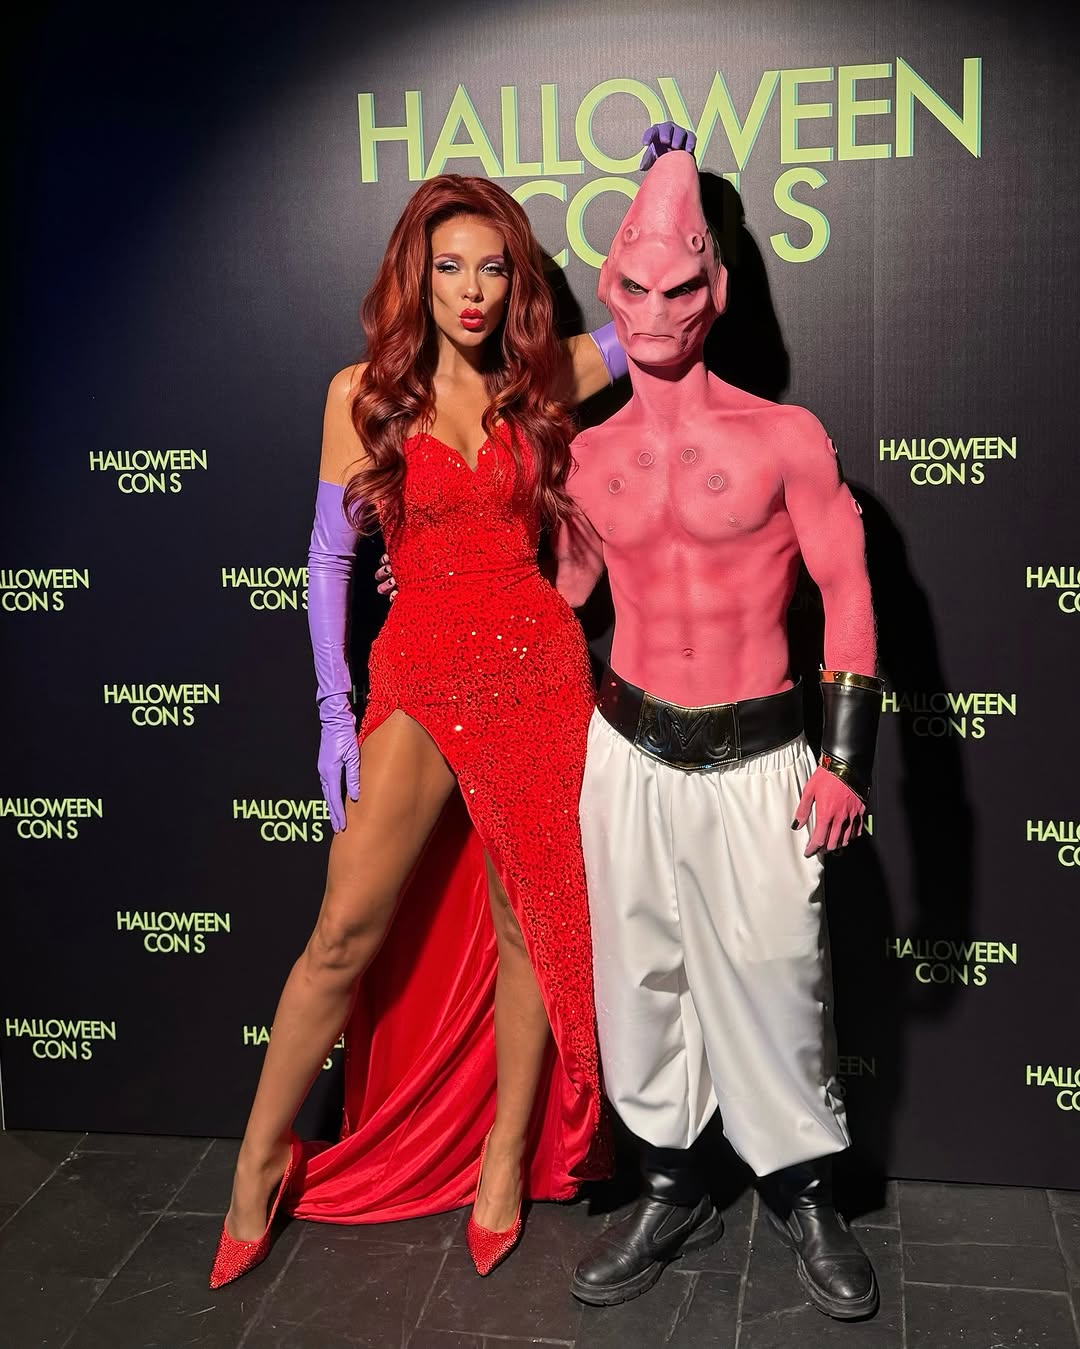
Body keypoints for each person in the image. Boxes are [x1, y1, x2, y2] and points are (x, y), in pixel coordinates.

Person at [210, 130, 691, 1291]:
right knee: (342, 931)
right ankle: (258, 1163)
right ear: (415, 277)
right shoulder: (364, 394)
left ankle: (502, 1158)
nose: (471, 291)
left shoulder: (545, 378)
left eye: (492, 268)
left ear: (514, 278)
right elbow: (330, 560)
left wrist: (665, 192)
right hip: (420, 672)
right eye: (449, 267)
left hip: (537, 671)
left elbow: (664, 318)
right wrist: (334, 711)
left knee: (530, 925)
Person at [554, 151, 884, 1320]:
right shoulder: (584, 452)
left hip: (760, 756)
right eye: (635, 289)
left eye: (680, 289)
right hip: (628, 751)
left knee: (780, 980)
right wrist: (454, 575)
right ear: (609, 288)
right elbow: (564, 596)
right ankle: (670, 1182)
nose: (655, 312)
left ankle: (806, 1191)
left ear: (720, 291)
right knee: (640, 976)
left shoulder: (786, 435)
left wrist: (844, 761)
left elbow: (847, 592)